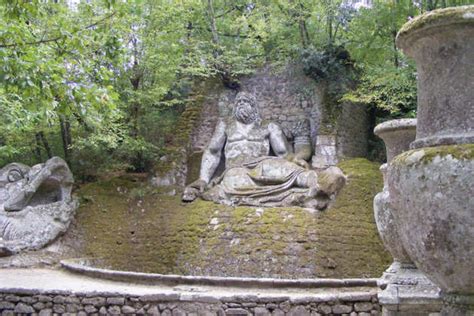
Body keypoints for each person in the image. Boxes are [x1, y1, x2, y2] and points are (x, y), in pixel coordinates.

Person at [182, 92, 345, 210]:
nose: (241, 103)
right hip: (236, 169)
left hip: (263, 162)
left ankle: (319, 181)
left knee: (281, 167)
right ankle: (306, 195)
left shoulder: (268, 127)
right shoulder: (226, 125)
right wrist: (203, 180)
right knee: (234, 183)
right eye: (238, 101)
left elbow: (284, 155)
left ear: (254, 108)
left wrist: (296, 159)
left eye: (246, 101)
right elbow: (213, 152)